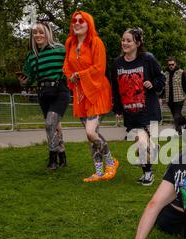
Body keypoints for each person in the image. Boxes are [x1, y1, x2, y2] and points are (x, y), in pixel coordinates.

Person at [63, 11, 119, 182]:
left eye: (81, 21)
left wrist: (79, 74)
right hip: (81, 94)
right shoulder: (70, 43)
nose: (77, 23)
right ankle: (99, 172)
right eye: (75, 20)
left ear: (89, 24)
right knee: (90, 136)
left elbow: (99, 68)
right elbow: (66, 65)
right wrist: (71, 75)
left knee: (90, 131)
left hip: (97, 91)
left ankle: (111, 161)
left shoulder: (96, 42)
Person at [112, 27, 165, 186]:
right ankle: (149, 164)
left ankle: (148, 172)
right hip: (130, 111)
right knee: (141, 143)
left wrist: (153, 84)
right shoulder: (117, 63)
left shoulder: (147, 59)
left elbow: (161, 78)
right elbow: (115, 88)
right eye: (123, 40)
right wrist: (118, 109)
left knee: (143, 143)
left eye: (129, 40)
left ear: (138, 43)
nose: (125, 43)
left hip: (148, 109)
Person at [17, 20, 69, 170]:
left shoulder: (60, 49)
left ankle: (52, 159)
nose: (38, 35)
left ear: (48, 33)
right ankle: (62, 155)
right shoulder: (31, 56)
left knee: (49, 124)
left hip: (60, 91)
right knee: (55, 126)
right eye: (35, 33)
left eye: (41, 32)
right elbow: (29, 79)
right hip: (43, 93)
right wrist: (23, 82)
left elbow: (72, 66)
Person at [163, 57, 186, 135]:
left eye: (172, 64)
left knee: (176, 116)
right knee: (177, 116)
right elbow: (163, 87)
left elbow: (185, 86)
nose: (171, 66)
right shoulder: (165, 74)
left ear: (175, 64)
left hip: (179, 98)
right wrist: (161, 97)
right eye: (169, 65)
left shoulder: (181, 73)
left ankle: (179, 133)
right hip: (169, 99)